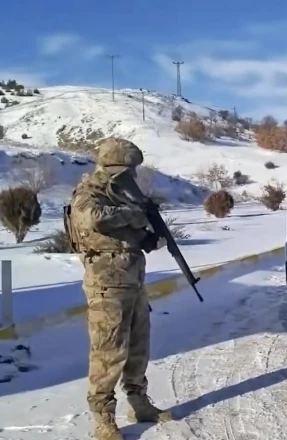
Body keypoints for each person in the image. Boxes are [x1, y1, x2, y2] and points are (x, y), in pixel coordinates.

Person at [66, 137, 174, 440]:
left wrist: (147, 238)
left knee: (139, 347)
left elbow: (123, 236)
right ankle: (103, 418)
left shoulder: (121, 194)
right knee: (108, 353)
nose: (133, 175)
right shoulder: (89, 193)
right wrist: (134, 214)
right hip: (106, 286)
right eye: (129, 170)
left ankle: (139, 403)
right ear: (114, 169)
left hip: (133, 281)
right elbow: (93, 220)